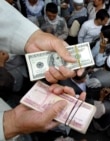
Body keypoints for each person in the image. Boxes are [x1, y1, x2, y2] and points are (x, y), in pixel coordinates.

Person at [1, 1, 84, 139]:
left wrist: (33, 38)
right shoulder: (39, 20)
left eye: (54, 16)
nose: (51, 18)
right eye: (49, 16)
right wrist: (11, 124)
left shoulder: (61, 21)